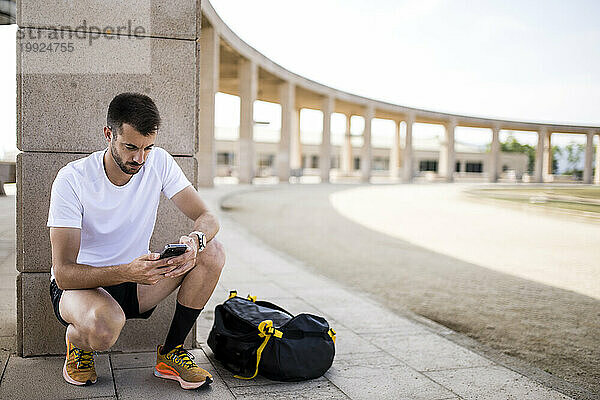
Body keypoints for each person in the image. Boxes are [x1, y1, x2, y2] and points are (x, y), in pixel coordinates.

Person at [47, 92, 225, 390]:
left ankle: (171, 353)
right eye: (130, 147)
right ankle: (77, 341)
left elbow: (208, 217)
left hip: (138, 281)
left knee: (212, 251)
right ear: (108, 134)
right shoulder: (72, 179)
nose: (139, 158)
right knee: (105, 327)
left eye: (147, 148)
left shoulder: (159, 162)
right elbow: (64, 274)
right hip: (81, 289)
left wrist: (195, 242)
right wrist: (125, 271)